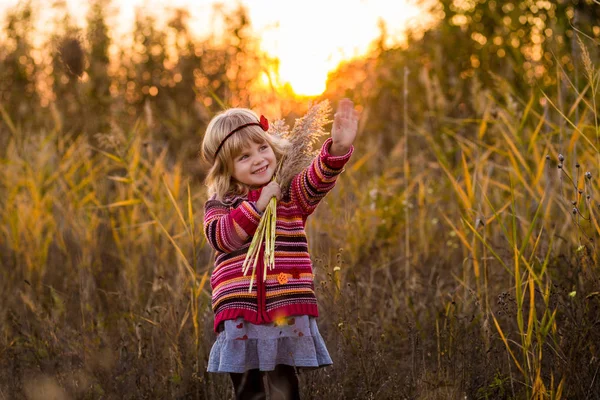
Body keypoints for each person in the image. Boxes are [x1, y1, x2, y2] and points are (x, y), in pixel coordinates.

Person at [201, 99, 359, 400]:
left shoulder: (290, 196)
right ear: (227, 168)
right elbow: (222, 238)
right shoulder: (222, 204)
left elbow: (318, 179)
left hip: (284, 310)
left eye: (262, 148)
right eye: (244, 156)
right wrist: (257, 206)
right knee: (249, 392)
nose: (259, 159)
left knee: (284, 389)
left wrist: (337, 150)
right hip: (240, 315)